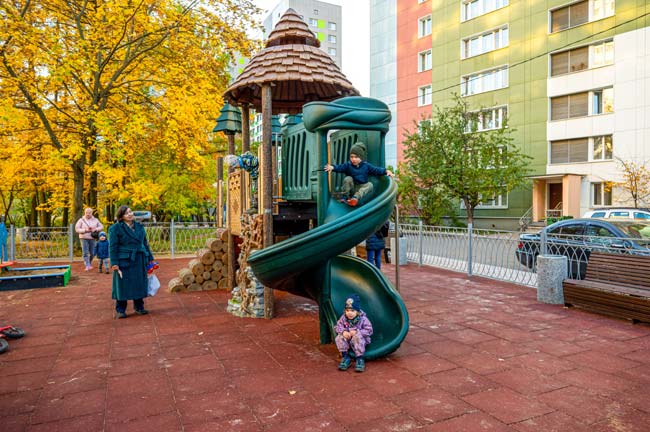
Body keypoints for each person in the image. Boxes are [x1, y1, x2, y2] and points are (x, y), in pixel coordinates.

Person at [109, 205, 155, 319]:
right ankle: (120, 310)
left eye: (130, 212)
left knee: (139, 282)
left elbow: (144, 243)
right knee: (122, 285)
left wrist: (150, 257)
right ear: (121, 216)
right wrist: (114, 262)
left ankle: (139, 307)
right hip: (124, 259)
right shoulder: (115, 228)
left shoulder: (139, 226)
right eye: (126, 213)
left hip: (139, 258)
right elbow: (113, 247)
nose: (129, 214)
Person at [324, 142, 394, 207]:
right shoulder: (348, 165)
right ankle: (345, 197)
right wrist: (332, 167)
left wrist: (386, 171)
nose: (353, 159)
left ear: (361, 157)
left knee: (370, 185)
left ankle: (355, 198)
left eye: (356, 157)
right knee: (348, 179)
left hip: (361, 188)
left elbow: (376, 170)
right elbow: (340, 167)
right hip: (352, 187)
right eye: (351, 157)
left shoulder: (366, 166)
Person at [334, 294, 373, 372]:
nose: (349, 313)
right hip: (348, 340)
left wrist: (357, 332)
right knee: (339, 337)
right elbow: (337, 326)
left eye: (352, 310)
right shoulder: (343, 318)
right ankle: (345, 357)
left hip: (360, 340)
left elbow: (369, 330)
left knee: (357, 337)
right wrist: (343, 331)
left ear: (357, 311)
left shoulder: (363, 319)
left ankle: (359, 358)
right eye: (347, 310)